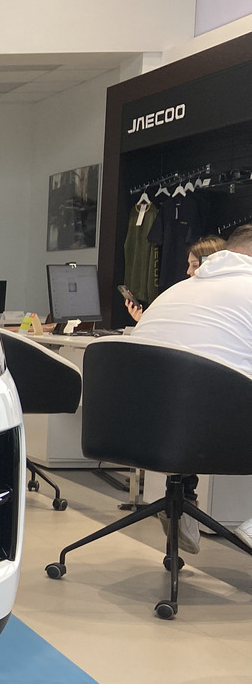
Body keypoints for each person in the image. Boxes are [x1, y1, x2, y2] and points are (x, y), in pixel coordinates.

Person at [128, 225, 252, 552]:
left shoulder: (177, 291)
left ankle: (182, 500)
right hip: (209, 432)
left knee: (194, 393)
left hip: (134, 426)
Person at [125, 234, 224, 322]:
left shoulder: (219, 301)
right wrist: (142, 321)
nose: (188, 271)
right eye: (189, 265)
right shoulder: (187, 297)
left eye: (195, 265)